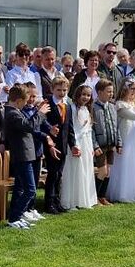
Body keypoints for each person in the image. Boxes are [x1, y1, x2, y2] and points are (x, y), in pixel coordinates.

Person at [3, 84, 40, 229]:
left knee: (26, 189)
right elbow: (29, 126)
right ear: (18, 101)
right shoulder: (12, 113)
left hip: (25, 155)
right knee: (30, 189)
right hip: (22, 156)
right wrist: (41, 113)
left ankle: (16, 217)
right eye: (25, 101)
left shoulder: (16, 112)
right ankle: (14, 217)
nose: (26, 104)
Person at [44, 75, 78, 213]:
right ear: (52, 89)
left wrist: (73, 144)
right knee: (52, 173)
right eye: (58, 90)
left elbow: (69, 127)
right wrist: (49, 130)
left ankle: (57, 201)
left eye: (64, 90)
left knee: (59, 174)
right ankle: (49, 202)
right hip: (51, 145)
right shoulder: (47, 104)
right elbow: (42, 122)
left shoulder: (67, 106)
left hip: (63, 145)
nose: (62, 93)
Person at [60, 84, 98, 210]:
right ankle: (72, 200)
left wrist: (91, 147)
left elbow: (89, 130)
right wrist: (74, 144)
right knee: (75, 171)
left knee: (85, 170)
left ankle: (84, 199)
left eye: (88, 95)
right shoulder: (72, 108)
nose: (86, 97)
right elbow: (72, 128)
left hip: (86, 143)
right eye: (83, 94)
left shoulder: (87, 109)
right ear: (77, 95)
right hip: (76, 143)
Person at [92, 78, 121, 205]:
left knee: (108, 172)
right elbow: (91, 129)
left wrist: (119, 143)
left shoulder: (112, 107)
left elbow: (116, 127)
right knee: (102, 171)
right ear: (99, 92)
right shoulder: (93, 107)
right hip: (101, 144)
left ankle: (102, 196)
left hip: (111, 144)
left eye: (112, 91)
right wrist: (95, 145)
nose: (111, 94)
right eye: (108, 91)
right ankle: (94, 197)